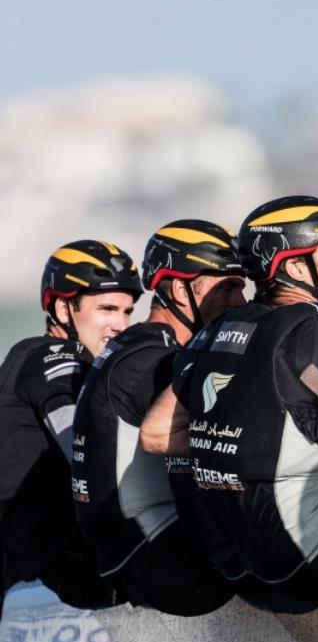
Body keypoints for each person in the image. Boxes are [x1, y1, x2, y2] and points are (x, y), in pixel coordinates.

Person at [140, 195, 318, 602]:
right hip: (309, 565)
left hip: (241, 577)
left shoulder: (213, 332)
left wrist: (254, 437)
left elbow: (155, 434)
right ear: (296, 266)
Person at [71, 219, 247, 615]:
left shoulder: (140, 345)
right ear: (181, 290)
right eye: (226, 287)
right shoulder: (156, 359)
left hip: (140, 552)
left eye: (240, 286)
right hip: (162, 563)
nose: (240, 300)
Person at [0, 240, 141, 610]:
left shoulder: (32, 355)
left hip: (41, 561)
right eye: (107, 309)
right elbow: (92, 454)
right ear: (63, 307)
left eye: (127, 311)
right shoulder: (53, 358)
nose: (121, 325)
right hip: (41, 574)